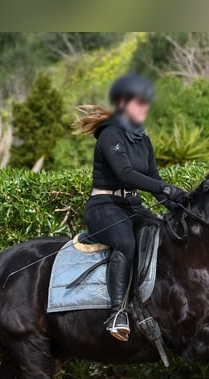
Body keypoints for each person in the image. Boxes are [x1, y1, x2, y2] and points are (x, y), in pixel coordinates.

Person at [73, 73, 188, 342]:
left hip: (131, 206)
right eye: (140, 102)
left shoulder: (142, 139)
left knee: (165, 235)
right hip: (104, 207)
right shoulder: (110, 134)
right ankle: (117, 313)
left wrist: (178, 200)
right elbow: (124, 173)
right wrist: (163, 188)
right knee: (125, 242)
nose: (145, 107)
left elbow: (154, 179)